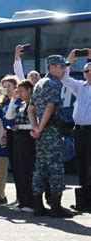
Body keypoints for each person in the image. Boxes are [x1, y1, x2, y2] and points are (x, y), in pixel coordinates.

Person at [28, 55, 73, 218]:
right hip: (52, 130)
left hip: (42, 133)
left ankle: (38, 206)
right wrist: (40, 127)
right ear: (52, 67)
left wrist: (35, 128)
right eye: (61, 67)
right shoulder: (53, 83)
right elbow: (50, 106)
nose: (64, 70)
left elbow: (30, 109)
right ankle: (56, 207)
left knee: (40, 168)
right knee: (56, 169)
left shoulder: (39, 83)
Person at [62, 49, 91, 190]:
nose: (89, 73)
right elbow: (65, 78)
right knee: (81, 164)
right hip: (79, 130)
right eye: (86, 71)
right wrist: (69, 60)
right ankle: (84, 199)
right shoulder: (80, 86)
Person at [6, 80, 35, 212]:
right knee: (18, 170)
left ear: (29, 90)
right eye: (18, 91)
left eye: (22, 91)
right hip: (18, 139)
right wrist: (13, 99)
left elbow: (36, 124)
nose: (20, 94)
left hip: (29, 139)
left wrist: (21, 126)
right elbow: (8, 116)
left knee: (27, 170)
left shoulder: (33, 104)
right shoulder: (20, 104)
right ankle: (22, 201)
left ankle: (30, 202)